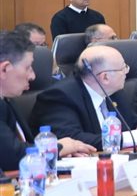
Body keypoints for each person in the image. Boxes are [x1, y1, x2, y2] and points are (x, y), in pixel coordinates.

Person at [32, 44, 137, 150]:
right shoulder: (59, 97)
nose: (127, 71)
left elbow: (133, 122)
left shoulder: (114, 92)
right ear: (105, 77)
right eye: (123, 68)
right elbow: (73, 139)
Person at [2, 30, 97, 170]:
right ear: (4, 69)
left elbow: (23, 146)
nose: (33, 76)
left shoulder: (8, 100)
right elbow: (11, 156)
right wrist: (58, 147)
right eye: (28, 68)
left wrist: (59, 151)